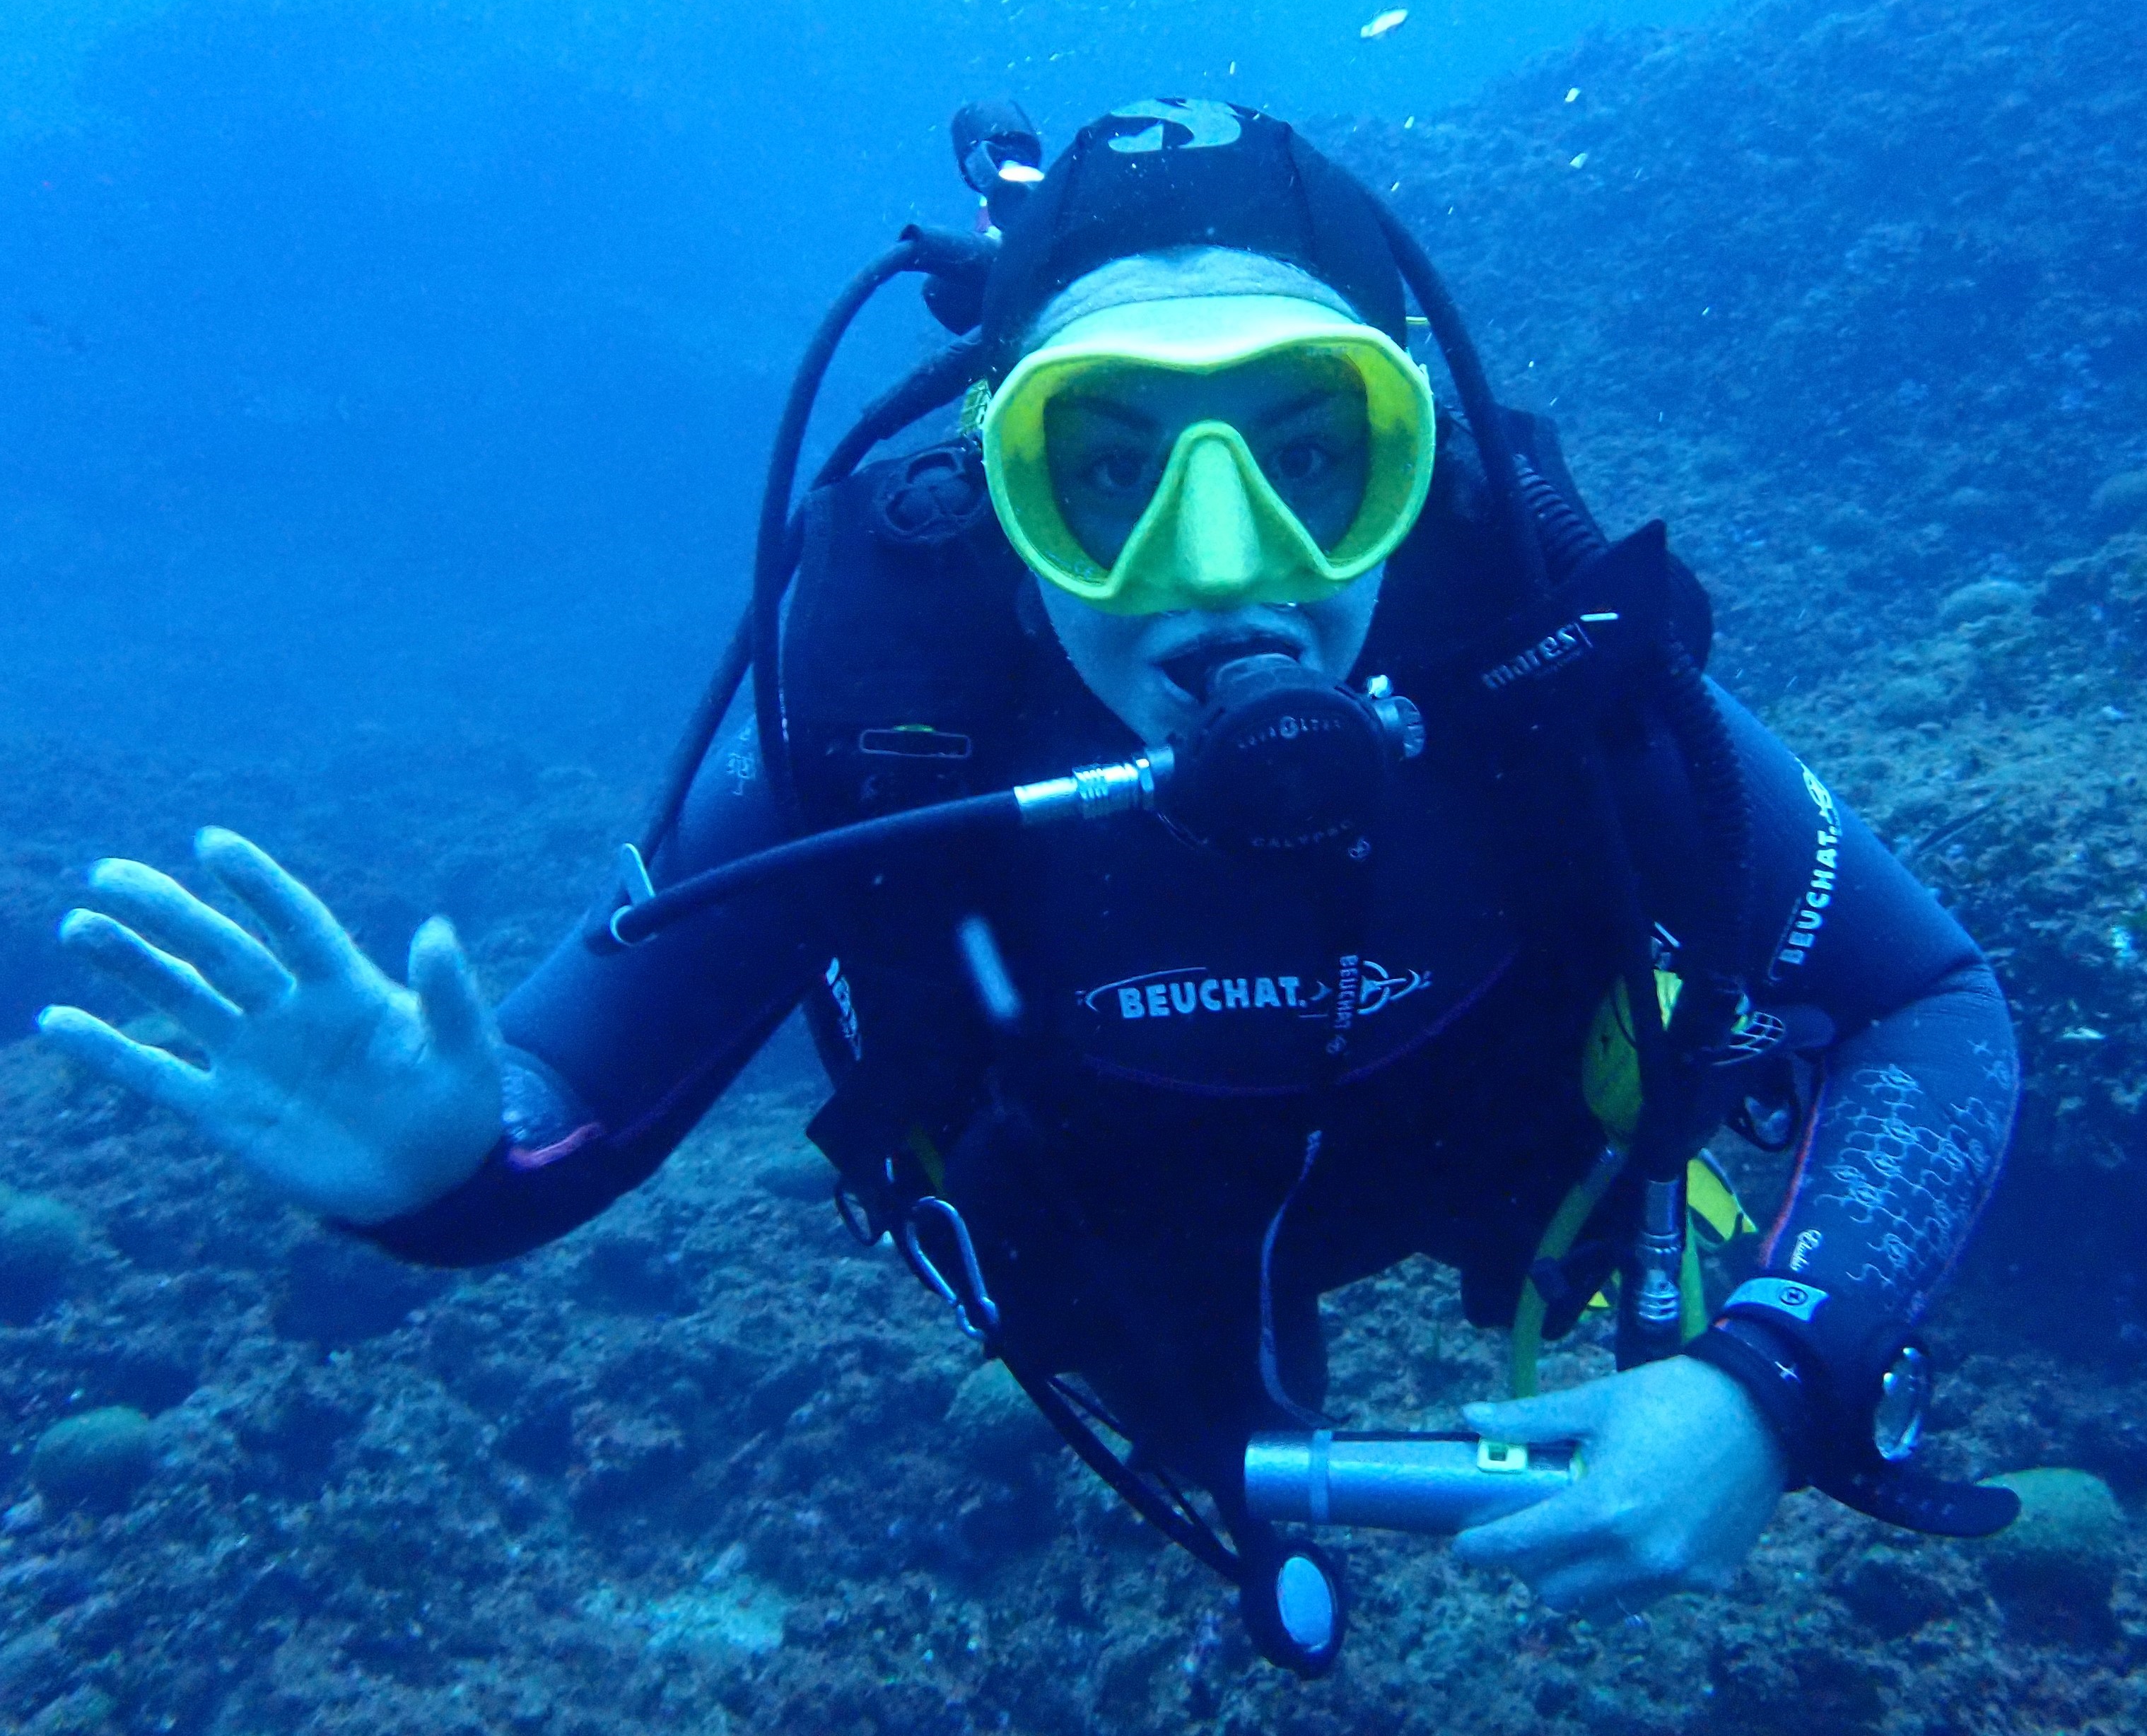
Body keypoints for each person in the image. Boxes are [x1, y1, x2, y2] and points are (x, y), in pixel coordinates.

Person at [40, 100, 2019, 1676]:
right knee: (1211, 1433)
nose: (1222, 561)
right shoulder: (889, 710)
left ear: (1418, 463)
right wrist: (442, 1172)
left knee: (1597, 1223)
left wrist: (1772, 1378)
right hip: (1113, 1211)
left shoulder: (1534, 664)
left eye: (1315, 453)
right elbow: (554, 1106)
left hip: (1512, 1146)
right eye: (1110, 466)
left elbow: (1933, 1002)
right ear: (996, 484)